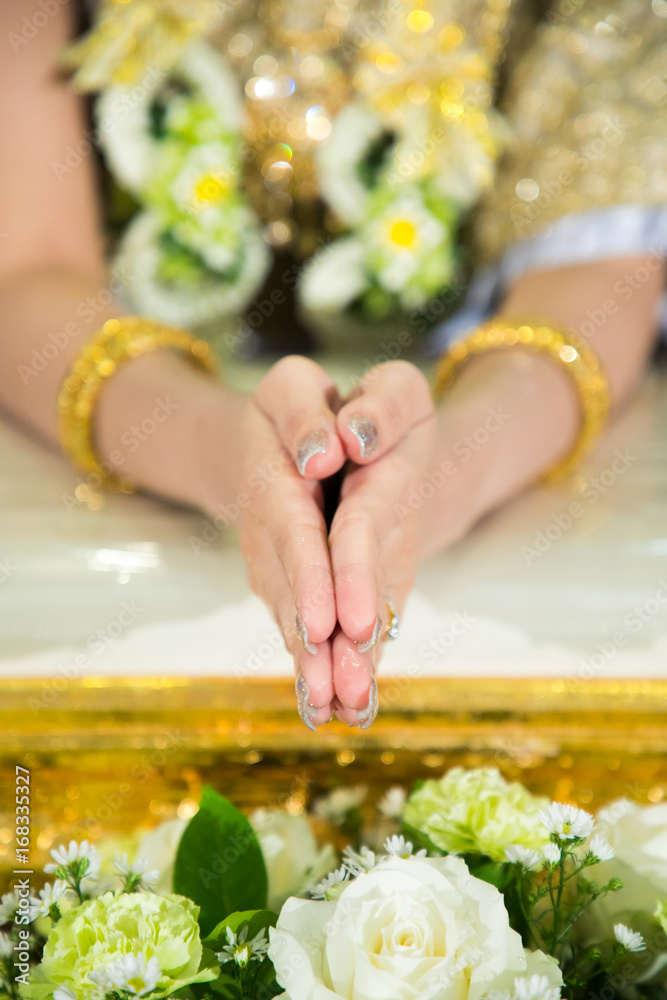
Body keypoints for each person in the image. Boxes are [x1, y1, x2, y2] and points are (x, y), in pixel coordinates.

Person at [0, 0, 665, 730]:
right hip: (104, 445)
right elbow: (27, 270)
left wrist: (440, 474)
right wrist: (224, 455)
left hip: (511, 446)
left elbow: (599, 266)